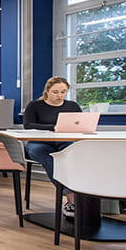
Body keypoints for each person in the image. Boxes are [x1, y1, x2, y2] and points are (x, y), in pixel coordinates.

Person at [23, 76, 82, 217]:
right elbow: (28, 125)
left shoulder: (72, 106)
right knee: (50, 157)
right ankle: (71, 197)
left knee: (76, 154)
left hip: (64, 142)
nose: (59, 95)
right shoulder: (35, 106)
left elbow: (80, 124)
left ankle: (88, 193)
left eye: (63, 92)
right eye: (55, 92)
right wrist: (54, 127)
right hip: (38, 144)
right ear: (47, 91)